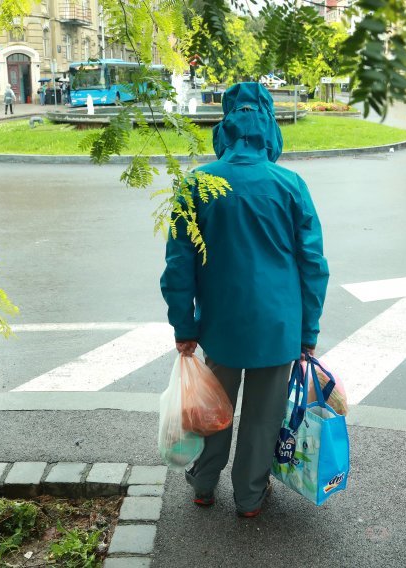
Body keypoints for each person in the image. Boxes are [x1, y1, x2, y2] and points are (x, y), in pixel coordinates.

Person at [160, 82, 329, 518]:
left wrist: (185, 326)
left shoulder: (197, 183)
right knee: (261, 418)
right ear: (269, 128)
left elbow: (179, 265)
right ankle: (250, 498)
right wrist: (308, 330)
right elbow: (312, 265)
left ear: (226, 127)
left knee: (214, 410)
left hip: (220, 325)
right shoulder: (291, 184)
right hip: (278, 328)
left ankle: (202, 484)